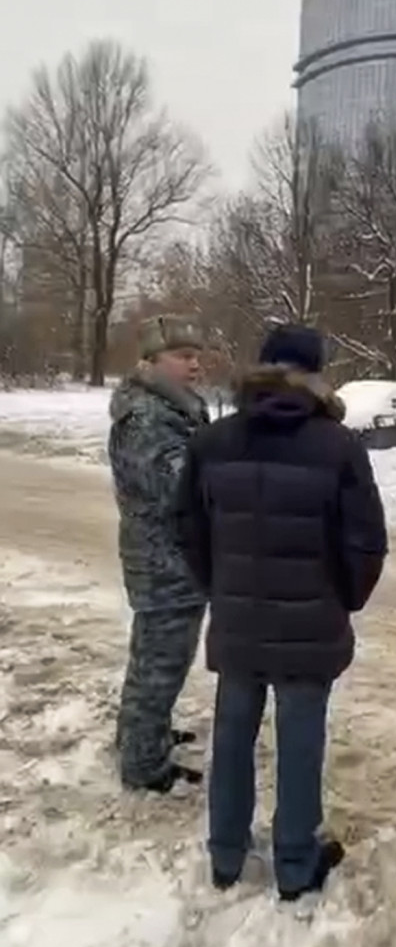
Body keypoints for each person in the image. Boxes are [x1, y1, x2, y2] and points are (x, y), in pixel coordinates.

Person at [175, 323, 388, 902]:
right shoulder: (338, 446)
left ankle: (225, 853)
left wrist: (220, 586)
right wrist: (343, 598)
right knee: (300, 741)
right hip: (310, 624)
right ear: (315, 373)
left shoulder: (213, 442)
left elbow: (187, 529)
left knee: (233, 733)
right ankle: (295, 864)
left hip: (239, 618)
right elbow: (366, 541)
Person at [109, 315, 209, 793]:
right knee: (161, 662)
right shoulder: (148, 419)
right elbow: (181, 486)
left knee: (152, 657)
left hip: (171, 559)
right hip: (165, 563)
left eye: (197, 355)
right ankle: (144, 764)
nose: (194, 364)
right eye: (183, 356)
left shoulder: (172, 408)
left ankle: (139, 736)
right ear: (150, 362)